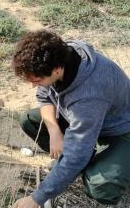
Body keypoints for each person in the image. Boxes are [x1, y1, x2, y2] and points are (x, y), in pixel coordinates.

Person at [11, 30, 130, 208]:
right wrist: (54, 130)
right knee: (30, 120)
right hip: (88, 121)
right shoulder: (58, 55)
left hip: (121, 131)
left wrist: (36, 198)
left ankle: (107, 164)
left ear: (56, 70)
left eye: (36, 80)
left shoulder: (89, 97)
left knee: (102, 188)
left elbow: (76, 154)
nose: (33, 85)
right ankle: (81, 161)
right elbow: (44, 97)